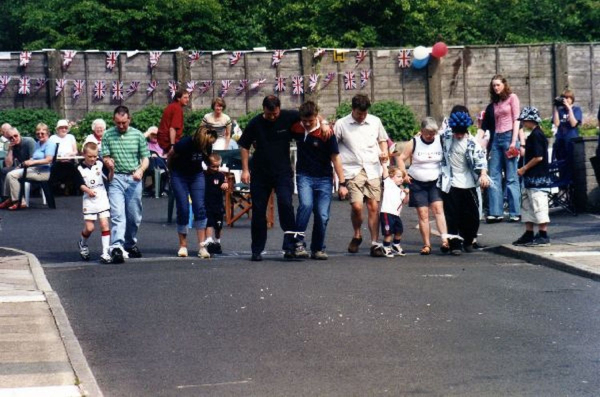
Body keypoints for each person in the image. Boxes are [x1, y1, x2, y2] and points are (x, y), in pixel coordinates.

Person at [239, 95, 329, 261]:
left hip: (282, 172)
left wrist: (323, 123)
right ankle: (257, 249)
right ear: (263, 109)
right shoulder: (255, 123)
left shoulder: (288, 116)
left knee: (286, 205)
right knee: (259, 211)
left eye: (275, 114)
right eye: (269, 114)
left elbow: (310, 114)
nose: (273, 117)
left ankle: (290, 247)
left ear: (279, 109)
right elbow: (244, 145)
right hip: (260, 173)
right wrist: (245, 170)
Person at [334, 94, 390, 257]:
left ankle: (375, 243)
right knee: (357, 207)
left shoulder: (375, 121)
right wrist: (337, 177)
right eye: (359, 113)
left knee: (374, 207)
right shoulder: (341, 124)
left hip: (373, 168)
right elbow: (333, 147)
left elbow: (382, 140)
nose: (362, 116)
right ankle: (357, 233)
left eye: (364, 114)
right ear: (353, 109)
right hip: (352, 170)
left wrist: (384, 152)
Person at [290, 101, 345, 260]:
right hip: (304, 176)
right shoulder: (296, 127)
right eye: (304, 120)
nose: (307, 124)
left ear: (316, 117)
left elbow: (336, 158)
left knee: (322, 215)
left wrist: (342, 183)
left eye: (311, 120)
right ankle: (298, 243)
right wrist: (323, 119)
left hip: (324, 178)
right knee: (305, 206)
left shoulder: (326, 133)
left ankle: (318, 248)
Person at [439, 106, 490, 255]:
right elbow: (429, 136)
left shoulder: (472, 143)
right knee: (452, 215)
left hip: (468, 183)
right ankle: (455, 243)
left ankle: (468, 240)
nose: (459, 136)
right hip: (451, 183)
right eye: (456, 132)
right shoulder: (445, 137)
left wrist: (483, 175)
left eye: (462, 133)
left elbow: (481, 160)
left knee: (473, 215)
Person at [102, 106, 150, 264]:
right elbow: (105, 156)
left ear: (129, 119)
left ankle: (130, 243)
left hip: (133, 178)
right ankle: (117, 246)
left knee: (134, 216)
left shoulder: (137, 135)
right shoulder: (108, 135)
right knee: (117, 214)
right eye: (118, 123)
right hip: (116, 178)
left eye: (124, 122)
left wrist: (141, 170)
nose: (121, 126)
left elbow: (145, 158)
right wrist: (108, 161)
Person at [394, 117, 449, 255]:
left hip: (435, 181)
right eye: (428, 133)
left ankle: (445, 240)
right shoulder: (414, 142)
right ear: (422, 131)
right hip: (417, 182)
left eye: (433, 133)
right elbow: (401, 158)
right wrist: (404, 173)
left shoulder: (440, 140)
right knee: (423, 213)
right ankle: (427, 245)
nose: (431, 136)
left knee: (438, 209)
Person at [169, 126, 216, 258]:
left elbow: (207, 159)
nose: (209, 145)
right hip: (179, 175)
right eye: (207, 143)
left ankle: (202, 246)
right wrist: (171, 173)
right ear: (200, 140)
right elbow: (170, 156)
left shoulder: (207, 145)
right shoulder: (184, 143)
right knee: (183, 207)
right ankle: (183, 245)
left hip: (196, 175)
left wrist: (213, 167)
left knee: (199, 207)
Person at [513, 107, 552, 247]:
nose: (523, 122)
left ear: (531, 120)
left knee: (538, 204)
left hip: (537, 177)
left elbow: (539, 157)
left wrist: (524, 168)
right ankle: (529, 233)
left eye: (525, 120)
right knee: (527, 204)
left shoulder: (537, 135)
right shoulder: (534, 135)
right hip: (530, 178)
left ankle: (543, 234)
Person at [486, 74, 521, 223]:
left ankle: (515, 212)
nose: (496, 87)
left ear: (504, 85)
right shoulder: (495, 103)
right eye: (494, 85)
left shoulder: (512, 98)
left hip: (508, 138)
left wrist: (514, 141)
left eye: (498, 85)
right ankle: (496, 212)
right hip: (496, 139)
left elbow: (516, 119)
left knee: (511, 176)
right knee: (493, 175)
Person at [0, 123, 57, 210]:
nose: (40, 135)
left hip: (42, 172)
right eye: (38, 134)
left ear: (48, 133)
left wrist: (31, 163)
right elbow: (31, 158)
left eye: (42, 133)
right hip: (34, 169)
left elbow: (49, 160)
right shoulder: (38, 144)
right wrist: (21, 165)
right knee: (9, 172)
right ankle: (11, 199)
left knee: (12, 175)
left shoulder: (50, 144)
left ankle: (19, 201)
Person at [75, 142, 113, 264]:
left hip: (101, 196)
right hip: (89, 198)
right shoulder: (79, 168)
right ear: (84, 155)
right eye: (90, 156)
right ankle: (82, 243)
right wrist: (88, 190)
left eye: (95, 156)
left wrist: (112, 169)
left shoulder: (101, 164)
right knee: (90, 228)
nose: (93, 159)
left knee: (104, 224)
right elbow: (79, 183)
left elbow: (110, 178)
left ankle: (105, 252)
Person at [379, 166, 409, 258]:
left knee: (399, 231)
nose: (401, 179)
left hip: (396, 215)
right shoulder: (389, 184)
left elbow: (405, 201)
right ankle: (386, 246)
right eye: (399, 176)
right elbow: (385, 174)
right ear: (391, 176)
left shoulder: (401, 191)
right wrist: (384, 164)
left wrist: (407, 193)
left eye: (402, 177)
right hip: (387, 212)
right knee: (388, 232)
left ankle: (396, 245)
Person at [552, 89, 582, 177]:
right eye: (565, 98)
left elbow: (573, 124)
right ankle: (563, 187)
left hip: (571, 142)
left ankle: (572, 187)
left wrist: (569, 109)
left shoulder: (576, 109)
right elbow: (556, 124)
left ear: (572, 99)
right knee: (561, 166)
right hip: (560, 142)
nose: (567, 100)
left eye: (569, 98)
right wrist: (556, 108)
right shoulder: (560, 110)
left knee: (572, 165)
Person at [1, 127, 35, 200]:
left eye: (15, 136)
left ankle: (15, 199)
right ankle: (6, 198)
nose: (14, 138)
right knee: (3, 171)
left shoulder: (29, 141)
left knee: (11, 172)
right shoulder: (13, 146)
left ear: (19, 134)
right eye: (11, 138)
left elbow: (33, 159)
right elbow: (8, 165)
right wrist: (10, 150)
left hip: (33, 168)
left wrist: (19, 166)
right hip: (22, 167)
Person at [204, 153, 228, 255]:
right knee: (209, 223)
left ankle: (218, 242)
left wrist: (225, 184)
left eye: (218, 166)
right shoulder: (204, 175)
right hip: (207, 204)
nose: (216, 168)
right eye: (213, 166)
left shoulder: (221, 175)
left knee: (218, 226)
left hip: (218, 205)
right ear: (208, 165)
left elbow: (226, 182)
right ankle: (209, 241)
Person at [49, 119, 79, 195]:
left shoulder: (71, 137)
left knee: (70, 167)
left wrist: (70, 155)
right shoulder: (52, 138)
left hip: (69, 160)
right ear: (58, 129)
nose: (64, 129)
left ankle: (68, 187)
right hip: (57, 160)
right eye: (62, 128)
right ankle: (58, 188)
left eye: (65, 128)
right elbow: (50, 151)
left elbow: (75, 151)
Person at [157, 89, 190, 154]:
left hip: (163, 140)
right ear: (178, 98)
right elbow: (173, 128)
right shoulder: (177, 108)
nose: (188, 100)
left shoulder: (172, 106)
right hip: (168, 142)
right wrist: (172, 145)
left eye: (188, 97)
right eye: (185, 97)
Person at [143, 126, 168, 196]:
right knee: (153, 158)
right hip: (150, 165)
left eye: (157, 134)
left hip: (163, 163)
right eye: (153, 134)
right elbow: (139, 139)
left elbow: (167, 154)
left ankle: (162, 189)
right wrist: (149, 132)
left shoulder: (163, 144)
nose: (155, 136)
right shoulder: (145, 144)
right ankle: (152, 188)